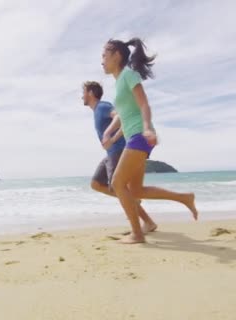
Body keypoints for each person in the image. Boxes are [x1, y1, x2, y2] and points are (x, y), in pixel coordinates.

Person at [101, 38, 198, 244]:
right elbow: (126, 115)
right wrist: (113, 135)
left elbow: (144, 105)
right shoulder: (118, 82)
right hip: (134, 136)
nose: (102, 61)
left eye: (104, 55)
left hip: (140, 136)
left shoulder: (128, 74)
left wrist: (146, 128)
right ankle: (184, 198)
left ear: (116, 55)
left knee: (118, 183)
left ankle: (137, 234)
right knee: (134, 190)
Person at [81, 81, 158, 233]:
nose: (81, 96)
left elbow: (120, 117)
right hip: (111, 153)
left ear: (90, 93)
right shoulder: (97, 110)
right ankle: (135, 206)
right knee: (96, 183)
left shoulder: (103, 106)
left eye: (83, 91)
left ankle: (145, 222)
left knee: (118, 187)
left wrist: (111, 136)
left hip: (119, 150)